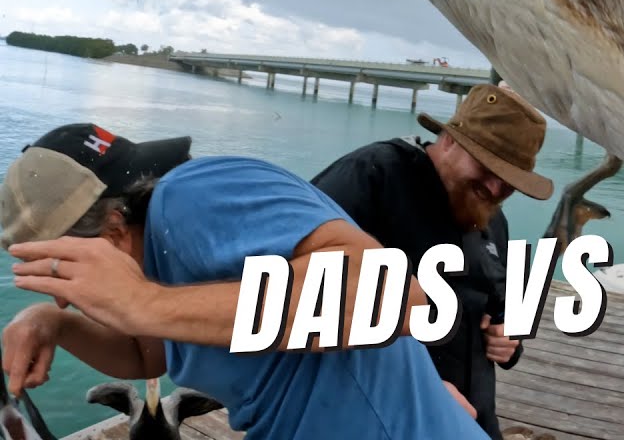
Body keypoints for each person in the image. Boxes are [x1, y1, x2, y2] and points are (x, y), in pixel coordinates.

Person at [0, 122, 488, 440]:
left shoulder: (193, 194)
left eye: (60, 273)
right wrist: (53, 326)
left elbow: (395, 297)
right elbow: (148, 352)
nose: (67, 297)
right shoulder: (164, 260)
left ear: (109, 231)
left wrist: (140, 302)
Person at [309, 83, 552, 440]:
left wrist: (508, 342)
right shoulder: (371, 176)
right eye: (487, 167)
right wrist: (414, 389)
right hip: (376, 418)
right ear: (450, 140)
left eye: (511, 181)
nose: (497, 189)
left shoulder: (491, 218)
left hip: (472, 423)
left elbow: (500, 312)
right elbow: (289, 298)